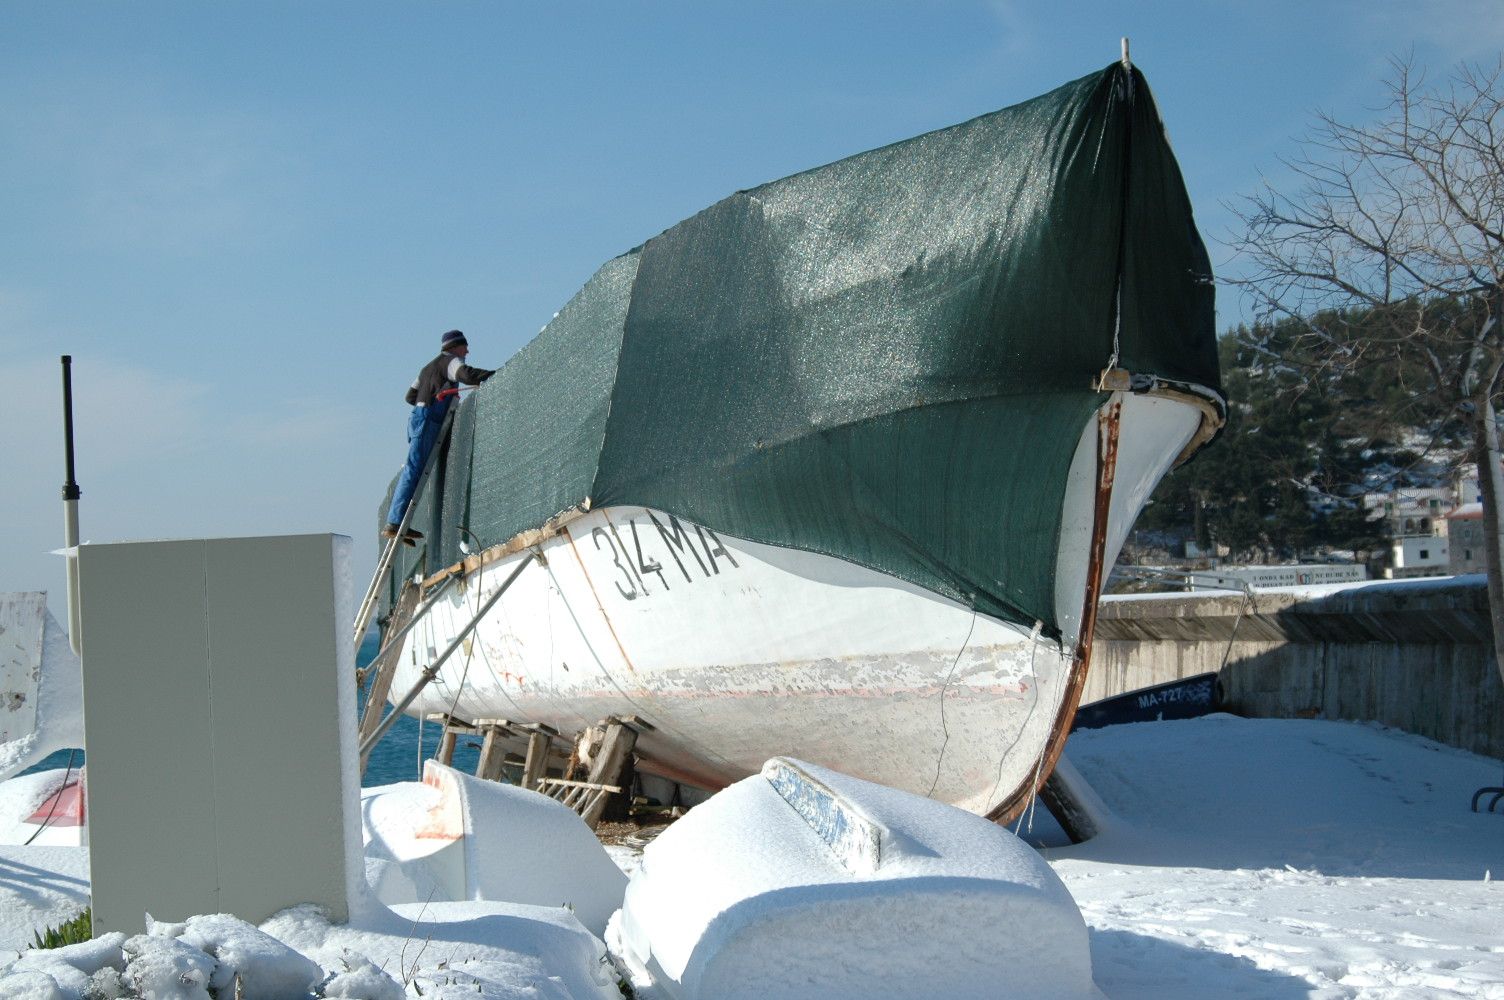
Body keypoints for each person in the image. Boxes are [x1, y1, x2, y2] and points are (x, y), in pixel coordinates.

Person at [382, 329, 494, 543]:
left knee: (413, 469)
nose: (467, 351)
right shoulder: (450, 362)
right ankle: (395, 522)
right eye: (464, 346)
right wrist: (496, 373)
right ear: (454, 346)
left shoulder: (426, 368)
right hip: (428, 421)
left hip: (418, 418)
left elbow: (410, 396)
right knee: (414, 469)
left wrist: (429, 396)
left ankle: (397, 522)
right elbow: (467, 375)